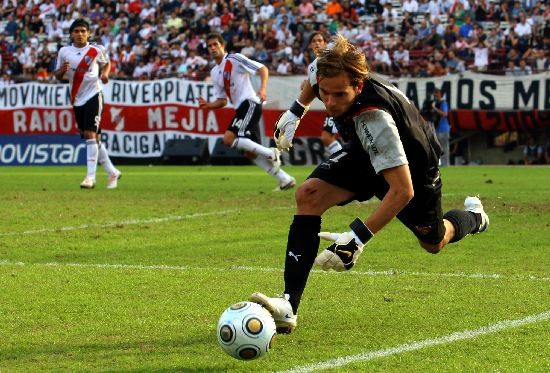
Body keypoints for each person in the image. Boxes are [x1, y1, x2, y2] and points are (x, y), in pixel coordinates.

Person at [249, 34, 489, 333]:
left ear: (358, 86)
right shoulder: (326, 70)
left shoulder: (373, 117)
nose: (331, 102)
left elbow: (402, 190)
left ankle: (475, 217)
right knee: (308, 194)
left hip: (413, 167)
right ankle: (288, 306)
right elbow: (314, 80)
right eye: (326, 93)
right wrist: (296, 110)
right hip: (365, 153)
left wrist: (357, 238)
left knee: (434, 242)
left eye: (340, 95)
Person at [197, 33, 295, 191]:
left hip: (250, 103)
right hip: (241, 108)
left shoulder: (234, 59)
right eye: (210, 46)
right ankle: (285, 179)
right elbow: (222, 100)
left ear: (223, 46)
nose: (213, 48)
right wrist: (209, 105)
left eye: (215, 44)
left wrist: (262, 88)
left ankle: (272, 153)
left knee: (229, 139)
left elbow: (262, 68)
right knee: (249, 153)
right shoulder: (215, 72)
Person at [55, 19, 121, 189]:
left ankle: (90, 178)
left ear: (89, 33)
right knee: (92, 137)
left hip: (94, 94)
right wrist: (61, 71)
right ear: (71, 34)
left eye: (83, 31)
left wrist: (105, 74)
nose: (80, 34)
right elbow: (57, 75)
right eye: (76, 31)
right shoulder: (64, 51)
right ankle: (112, 171)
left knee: (90, 134)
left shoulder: (96, 50)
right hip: (77, 97)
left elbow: (107, 64)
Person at [432, 88, 451, 167]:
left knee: (444, 147)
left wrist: (435, 109)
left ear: (441, 94)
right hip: (437, 128)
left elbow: (445, 114)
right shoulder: (435, 103)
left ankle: (446, 164)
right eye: (435, 93)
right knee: (439, 148)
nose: (435, 95)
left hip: (443, 128)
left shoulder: (443, 103)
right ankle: (441, 163)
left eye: (437, 93)